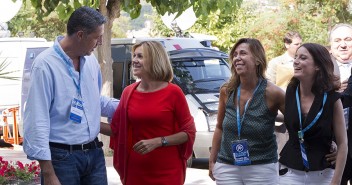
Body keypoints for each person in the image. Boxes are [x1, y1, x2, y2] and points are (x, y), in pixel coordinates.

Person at [23, 7, 118, 185]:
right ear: (80, 35)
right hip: (61, 158)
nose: (100, 42)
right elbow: (37, 120)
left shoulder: (90, 61)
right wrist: (48, 173)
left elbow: (93, 101)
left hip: (94, 154)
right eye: (97, 37)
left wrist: (130, 104)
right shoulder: (45, 65)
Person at [106, 41, 196, 185]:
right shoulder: (128, 92)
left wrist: (159, 142)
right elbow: (116, 129)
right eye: (134, 56)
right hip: (136, 170)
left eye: (140, 56)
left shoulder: (173, 92)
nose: (134, 60)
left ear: (154, 60)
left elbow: (189, 132)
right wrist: (87, 123)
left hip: (168, 170)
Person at [209, 38, 285, 184]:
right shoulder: (227, 91)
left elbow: (296, 121)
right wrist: (213, 160)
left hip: (262, 168)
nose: (237, 58)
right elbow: (219, 127)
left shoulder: (273, 92)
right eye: (235, 54)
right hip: (227, 166)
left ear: (257, 60)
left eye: (243, 53)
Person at [278, 43, 347, 185]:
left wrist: (336, 180)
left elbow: (343, 143)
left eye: (303, 58)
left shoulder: (332, 99)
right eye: (296, 57)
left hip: (324, 173)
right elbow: (291, 120)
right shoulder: (290, 92)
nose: (296, 61)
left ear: (317, 66)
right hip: (290, 171)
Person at [330, 23, 352, 185]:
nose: (343, 44)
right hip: (330, 147)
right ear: (330, 45)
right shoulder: (319, 70)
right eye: (337, 40)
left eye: (348, 39)